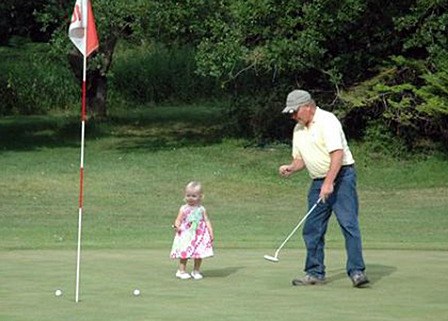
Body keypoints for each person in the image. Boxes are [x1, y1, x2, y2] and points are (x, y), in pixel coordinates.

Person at [278, 89, 369, 288]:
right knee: (312, 228)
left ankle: (357, 272)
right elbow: (300, 159)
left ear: (308, 107)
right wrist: (292, 168)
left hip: (342, 177)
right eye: (290, 113)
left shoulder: (327, 121)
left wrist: (329, 182)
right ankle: (314, 273)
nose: (293, 116)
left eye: (295, 112)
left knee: (348, 224)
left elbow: (337, 154)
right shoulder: (299, 130)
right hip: (318, 181)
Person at [170, 181, 214, 280]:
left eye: (194, 196)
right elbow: (178, 219)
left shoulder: (201, 209)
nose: (190, 198)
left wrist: (210, 232)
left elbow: (206, 220)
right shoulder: (184, 208)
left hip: (199, 234)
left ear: (200, 197)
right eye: (188, 195)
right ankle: (181, 271)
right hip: (186, 233)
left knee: (199, 253)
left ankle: (196, 271)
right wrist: (177, 225)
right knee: (184, 252)